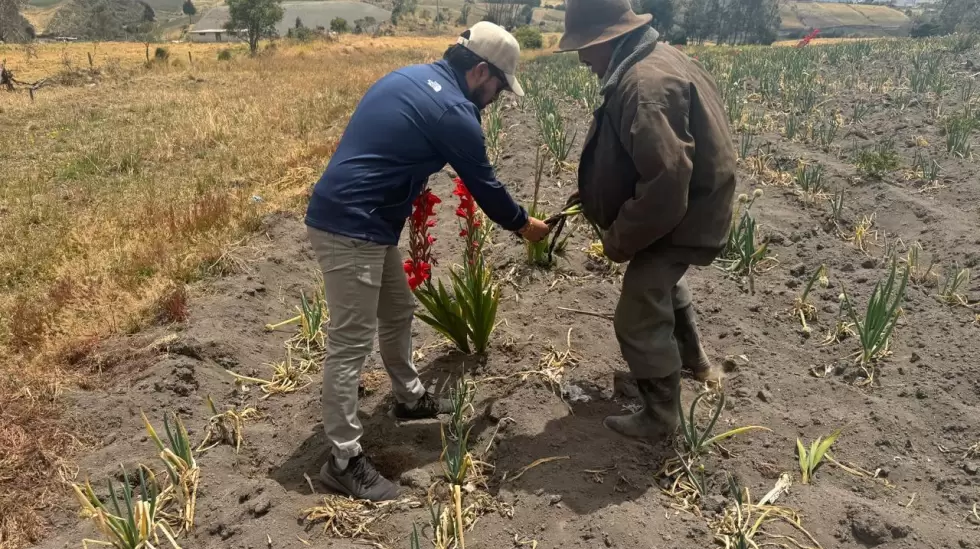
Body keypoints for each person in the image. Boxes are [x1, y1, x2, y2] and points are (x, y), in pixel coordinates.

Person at [303, 21, 551, 502]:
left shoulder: (411, 77)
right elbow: (486, 187)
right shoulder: (453, 112)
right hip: (350, 226)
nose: (498, 96)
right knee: (350, 343)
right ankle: (343, 459)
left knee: (397, 308)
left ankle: (409, 398)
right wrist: (524, 225)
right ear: (480, 71)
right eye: (500, 85)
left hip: (366, 222)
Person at [557, 0, 736, 440]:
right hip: (692, 205)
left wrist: (618, 240)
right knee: (662, 286)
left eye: (585, 46)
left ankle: (660, 416)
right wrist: (596, 191)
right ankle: (696, 365)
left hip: (683, 215)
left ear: (609, 38)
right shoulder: (657, 60)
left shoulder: (643, 85)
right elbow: (648, 159)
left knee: (637, 313)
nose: (582, 58)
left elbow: (667, 183)